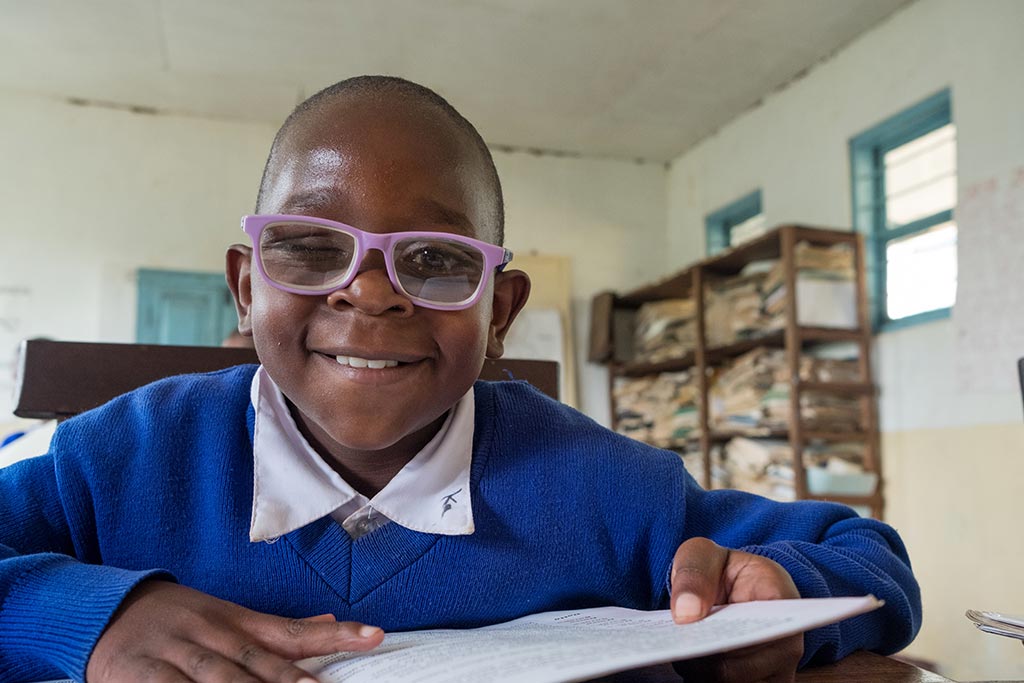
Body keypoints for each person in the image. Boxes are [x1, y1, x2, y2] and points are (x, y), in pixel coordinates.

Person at [0, 76, 921, 683]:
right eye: (311, 248)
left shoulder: (607, 488)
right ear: (247, 289)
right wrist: (86, 616)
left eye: (434, 261)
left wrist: (782, 591)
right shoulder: (117, 459)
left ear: (500, 313)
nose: (368, 292)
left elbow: (866, 548)